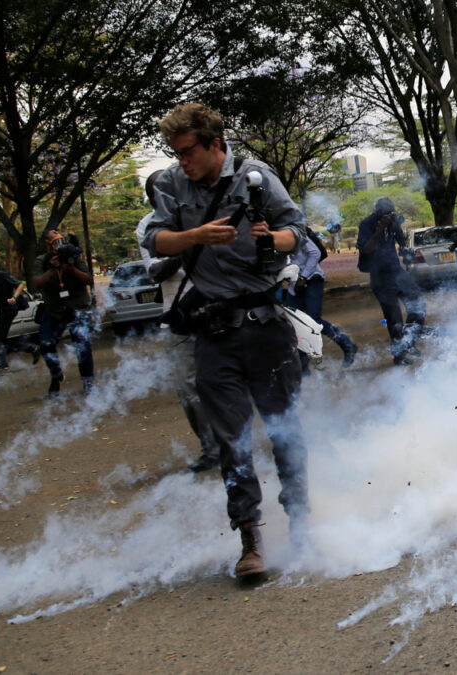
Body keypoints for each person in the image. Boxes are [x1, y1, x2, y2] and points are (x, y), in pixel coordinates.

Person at [141, 102, 308, 580]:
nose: (182, 160)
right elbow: (156, 240)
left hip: (266, 327)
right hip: (213, 331)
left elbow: (298, 232)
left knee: (285, 431)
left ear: (216, 143)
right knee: (231, 441)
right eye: (174, 152)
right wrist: (194, 235)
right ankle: (251, 539)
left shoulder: (256, 176)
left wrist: (269, 239)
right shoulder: (173, 184)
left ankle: (301, 521)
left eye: (188, 150)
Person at [135, 169, 220, 474]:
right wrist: (187, 244)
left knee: (228, 378)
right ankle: (211, 450)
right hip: (180, 317)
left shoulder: (205, 212)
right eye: (163, 191)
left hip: (219, 309)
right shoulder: (148, 226)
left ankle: (235, 443)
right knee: (187, 386)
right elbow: (155, 272)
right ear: (153, 198)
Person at [356, 197, 425, 365]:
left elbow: (401, 242)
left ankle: (408, 342)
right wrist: (381, 228)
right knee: (394, 319)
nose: (390, 215)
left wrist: (405, 252)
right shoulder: (367, 225)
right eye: (387, 213)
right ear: (378, 212)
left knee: (418, 306)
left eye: (391, 212)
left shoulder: (393, 222)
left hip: (397, 272)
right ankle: (399, 356)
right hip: (380, 276)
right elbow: (366, 249)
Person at [31, 227, 95, 396]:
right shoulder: (42, 260)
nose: (58, 243)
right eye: (53, 240)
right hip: (54, 308)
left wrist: (71, 268)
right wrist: (52, 269)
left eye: (60, 239)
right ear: (47, 244)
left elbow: (88, 279)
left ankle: (88, 380)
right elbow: (37, 283)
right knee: (45, 343)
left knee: (82, 345)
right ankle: (56, 373)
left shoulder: (73, 255)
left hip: (76, 306)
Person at [284, 226, 357, 369]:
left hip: (312, 277)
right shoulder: (266, 235)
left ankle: (347, 345)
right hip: (294, 284)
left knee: (313, 319)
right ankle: (303, 365)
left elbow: (315, 253)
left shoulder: (292, 231)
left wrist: (303, 277)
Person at [0, 254, 39, 372]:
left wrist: (14, 297)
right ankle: (30, 348)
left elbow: (20, 284)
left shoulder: (1, 275)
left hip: (9, 308)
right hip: (2, 308)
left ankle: (3, 365)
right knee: (0, 338)